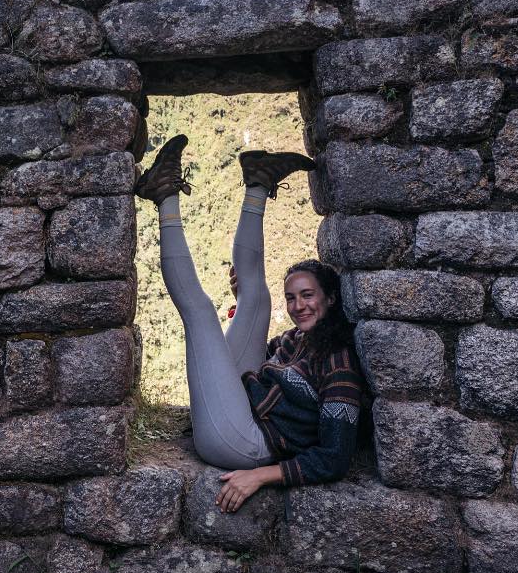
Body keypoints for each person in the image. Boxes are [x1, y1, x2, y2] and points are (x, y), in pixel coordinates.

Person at [135, 134, 363, 512]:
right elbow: (253, 359)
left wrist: (260, 475)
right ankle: (258, 184)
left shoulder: (339, 366)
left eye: (308, 296)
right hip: (239, 408)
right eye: (293, 297)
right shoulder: (295, 341)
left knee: (200, 315)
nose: (298, 306)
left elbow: (335, 457)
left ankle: (164, 197)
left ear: (331, 298)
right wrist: (242, 306)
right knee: (255, 299)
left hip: (243, 442)